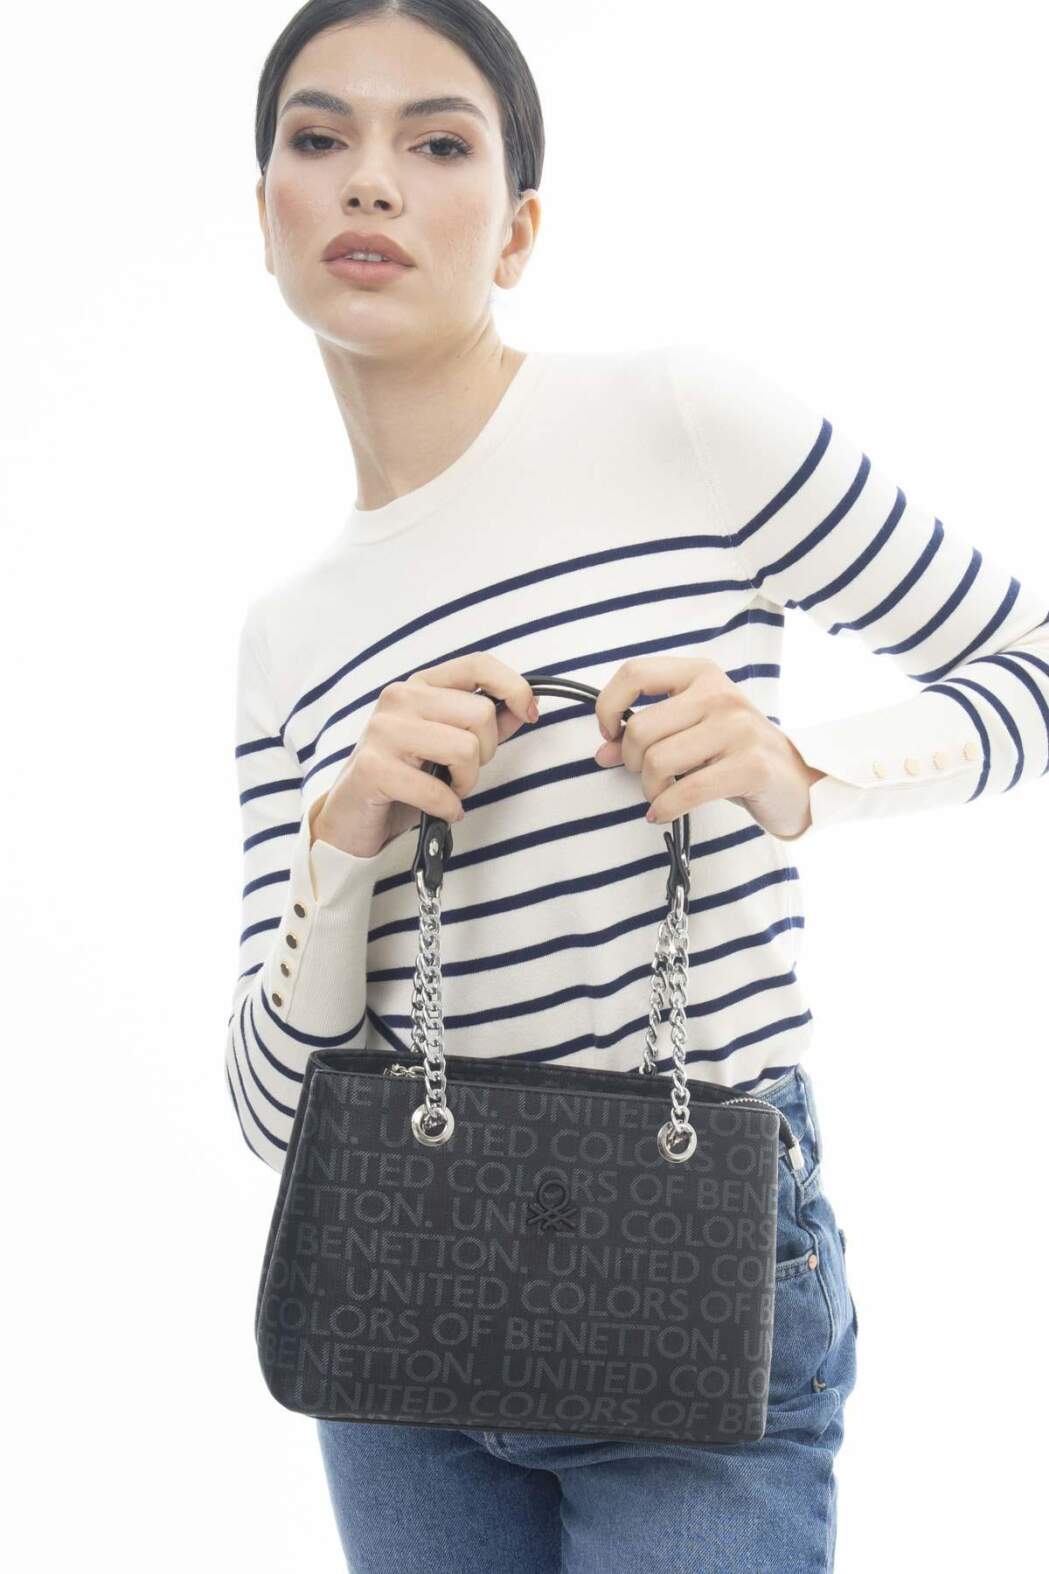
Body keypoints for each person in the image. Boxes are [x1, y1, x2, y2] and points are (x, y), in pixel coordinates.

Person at [229, 2, 1049, 1570]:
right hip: (395, 1314)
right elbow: (277, 1111)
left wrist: (796, 768)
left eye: (438, 142)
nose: (370, 181)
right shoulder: (289, 638)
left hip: (690, 1251)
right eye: (318, 139)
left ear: (517, 228)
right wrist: (347, 835)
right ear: (264, 212)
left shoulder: (679, 422)